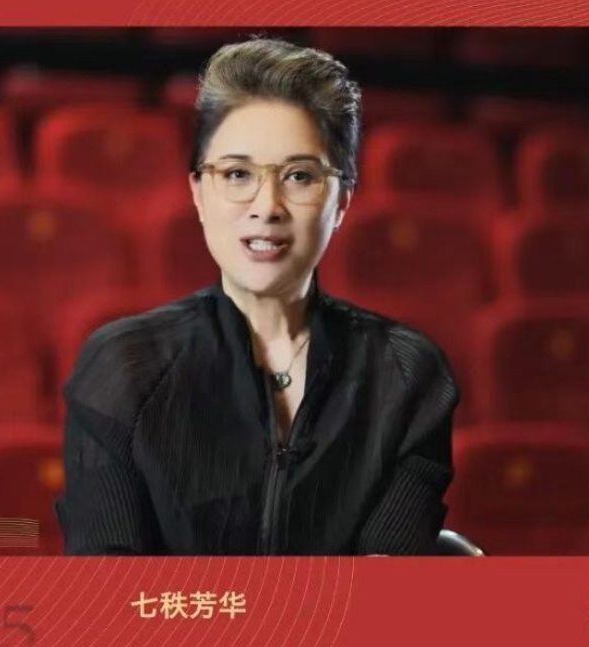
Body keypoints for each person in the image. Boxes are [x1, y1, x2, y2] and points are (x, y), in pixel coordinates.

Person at [55, 36, 460, 555]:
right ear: (199, 193)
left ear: (341, 202)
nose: (267, 206)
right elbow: (108, 586)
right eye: (237, 174)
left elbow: (384, 588)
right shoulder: (124, 366)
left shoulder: (408, 373)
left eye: (299, 176)